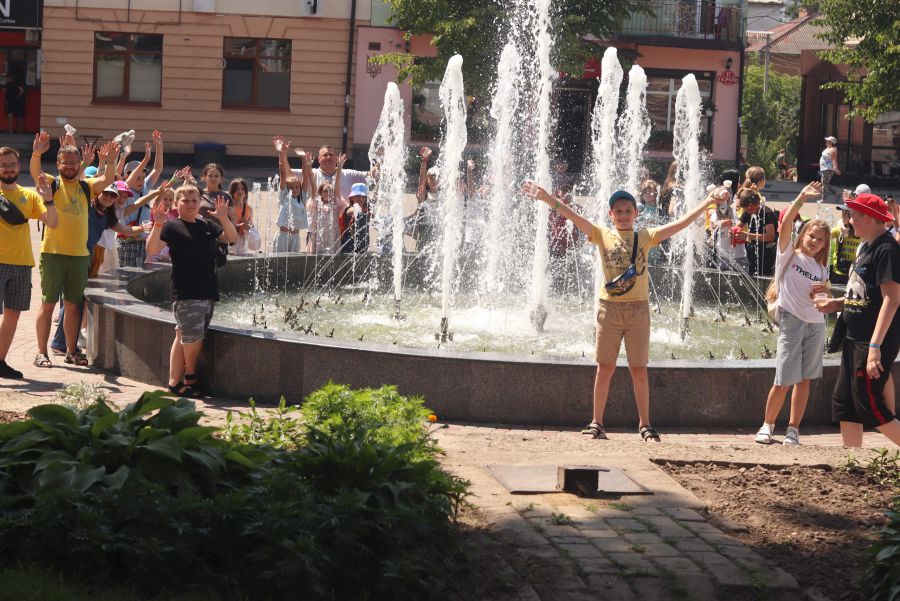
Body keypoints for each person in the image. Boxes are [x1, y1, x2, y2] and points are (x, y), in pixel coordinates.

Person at [522, 181, 713, 442]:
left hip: (638, 311)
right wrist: (547, 199)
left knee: (638, 369)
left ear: (636, 213)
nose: (623, 215)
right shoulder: (601, 234)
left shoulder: (646, 236)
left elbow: (680, 224)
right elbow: (574, 217)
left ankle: (645, 425)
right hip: (608, 310)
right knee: (605, 367)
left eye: (627, 210)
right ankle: (597, 422)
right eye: (618, 211)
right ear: (610, 214)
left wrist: (708, 202)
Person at [818, 193, 900, 447]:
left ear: (867, 217)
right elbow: (866, 294)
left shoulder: (887, 249)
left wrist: (875, 347)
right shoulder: (867, 246)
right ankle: (853, 463)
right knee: (845, 405)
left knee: (871, 407)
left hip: (870, 342)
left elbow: (892, 299)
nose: (849, 219)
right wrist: (837, 304)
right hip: (854, 340)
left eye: (853, 214)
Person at [29, 132, 116, 368]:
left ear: (80, 165)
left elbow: (108, 180)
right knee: (48, 304)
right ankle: (41, 352)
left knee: (73, 305)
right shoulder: (52, 183)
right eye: (65, 162)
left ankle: (71, 351)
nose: (70, 166)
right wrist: (37, 153)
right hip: (53, 253)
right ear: (58, 164)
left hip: (79, 255)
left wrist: (109, 161)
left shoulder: (87, 186)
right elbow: (35, 172)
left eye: (74, 162)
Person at [754, 182, 829, 446]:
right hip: (792, 321)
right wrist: (800, 198)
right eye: (811, 236)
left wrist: (824, 295)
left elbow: (822, 301)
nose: (815, 242)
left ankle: (793, 429)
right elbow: (784, 225)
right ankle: (768, 425)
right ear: (803, 234)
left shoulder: (822, 269)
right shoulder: (789, 255)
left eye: (820, 240)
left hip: (816, 324)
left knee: (805, 379)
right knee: (784, 378)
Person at [146, 185, 237, 397]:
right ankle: (191, 377)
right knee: (192, 339)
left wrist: (223, 218)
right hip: (186, 291)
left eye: (194, 200)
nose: (190, 204)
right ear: (176, 204)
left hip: (206, 289)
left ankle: (174, 382)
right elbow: (152, 250)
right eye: (185, 201)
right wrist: (158, 224)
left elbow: (231, 238)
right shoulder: (171, 226)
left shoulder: (206, 225)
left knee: (183, 335)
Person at [49, 183, 159, 357]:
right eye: (106, 194)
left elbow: (122, 229)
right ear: (98, 193)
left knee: (79, 299)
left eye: (112, 196)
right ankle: (60, 344)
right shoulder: (88, 206)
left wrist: (142, 228)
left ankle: (67, 344)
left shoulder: (108, 214)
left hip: (87, 255)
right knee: (73, 300)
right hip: (74, 255)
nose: (109, 197)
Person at [0, 148, 58, 378]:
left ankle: (0, 361)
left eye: (12, 163)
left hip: (22, 263)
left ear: (19, 166)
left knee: (13, 314)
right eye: (3, 164)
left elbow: (52, 223)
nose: (8, 168)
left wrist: (50, 200)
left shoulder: (30, 195)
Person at [307, 154, 348, 254]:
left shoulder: (335, 202)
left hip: (332, 235)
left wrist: (339, 167)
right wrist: (308, 166)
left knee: (332, 259)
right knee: (317, 258)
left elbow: (337, 183)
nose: (328, 193)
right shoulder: (317, 202)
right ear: (320, 193)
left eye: (330, 191)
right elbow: (312, 183)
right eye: (325, 191)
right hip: (319, 235)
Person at [273, 141, 310, 253]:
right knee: (278, 263)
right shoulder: (284, 197)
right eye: (291, 188)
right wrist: (282, 154)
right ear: (287, 189)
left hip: (295, 236)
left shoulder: (302, 198)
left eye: (297, 187)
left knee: (292, 264)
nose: (294, 190)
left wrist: (303, 158)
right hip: (283, 235)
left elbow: (305, 175)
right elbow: (283, 174)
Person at [736, 183, 777, 276]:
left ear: (757, 203)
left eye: (750, 208)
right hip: (753, 249)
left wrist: (747, 235)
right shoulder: (748, 211)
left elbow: (771, 236)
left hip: (767, 252)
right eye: (746, 209)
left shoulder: (766, 213)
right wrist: (734, 232)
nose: (748, 210)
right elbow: (738, 225)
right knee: (752, 273)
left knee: (764, 274)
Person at [830, 204, 861, 285]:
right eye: (842, 213)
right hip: (838, 272)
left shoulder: (860, 232)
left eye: (846, 214)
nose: (843, 216)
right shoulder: (838, 230)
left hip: (854, 272)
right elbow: (825, 237)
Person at [228, 178, 258, 255]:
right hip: (230, 241)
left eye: (242, 189)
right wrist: (239, 225)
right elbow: (225, 225)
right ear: (232, 191)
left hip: (243, 241)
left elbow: (252, 225)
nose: (240, 191)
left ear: (246, 192)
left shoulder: (249, 209)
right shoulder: (229, 207)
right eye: (237, 189)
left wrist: (248, 226)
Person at [340, 183, 371, 254]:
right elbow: (352, 210)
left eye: (363, 197)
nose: (361, 199)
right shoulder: (349, 209)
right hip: (349, 246)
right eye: (357, 196)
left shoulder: (367, 210)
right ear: (352, 197)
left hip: (364, 245)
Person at [820, 136, 841, 201]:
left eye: (828, 141)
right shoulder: (828, 148)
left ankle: (824, 199)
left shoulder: (833, 150)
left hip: (828, 169)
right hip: (824, 168)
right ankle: (837, 192)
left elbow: (834, 160)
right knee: (825, 183)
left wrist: (835, 168)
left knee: (824, 184)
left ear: (831, 142)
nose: (826, 141)